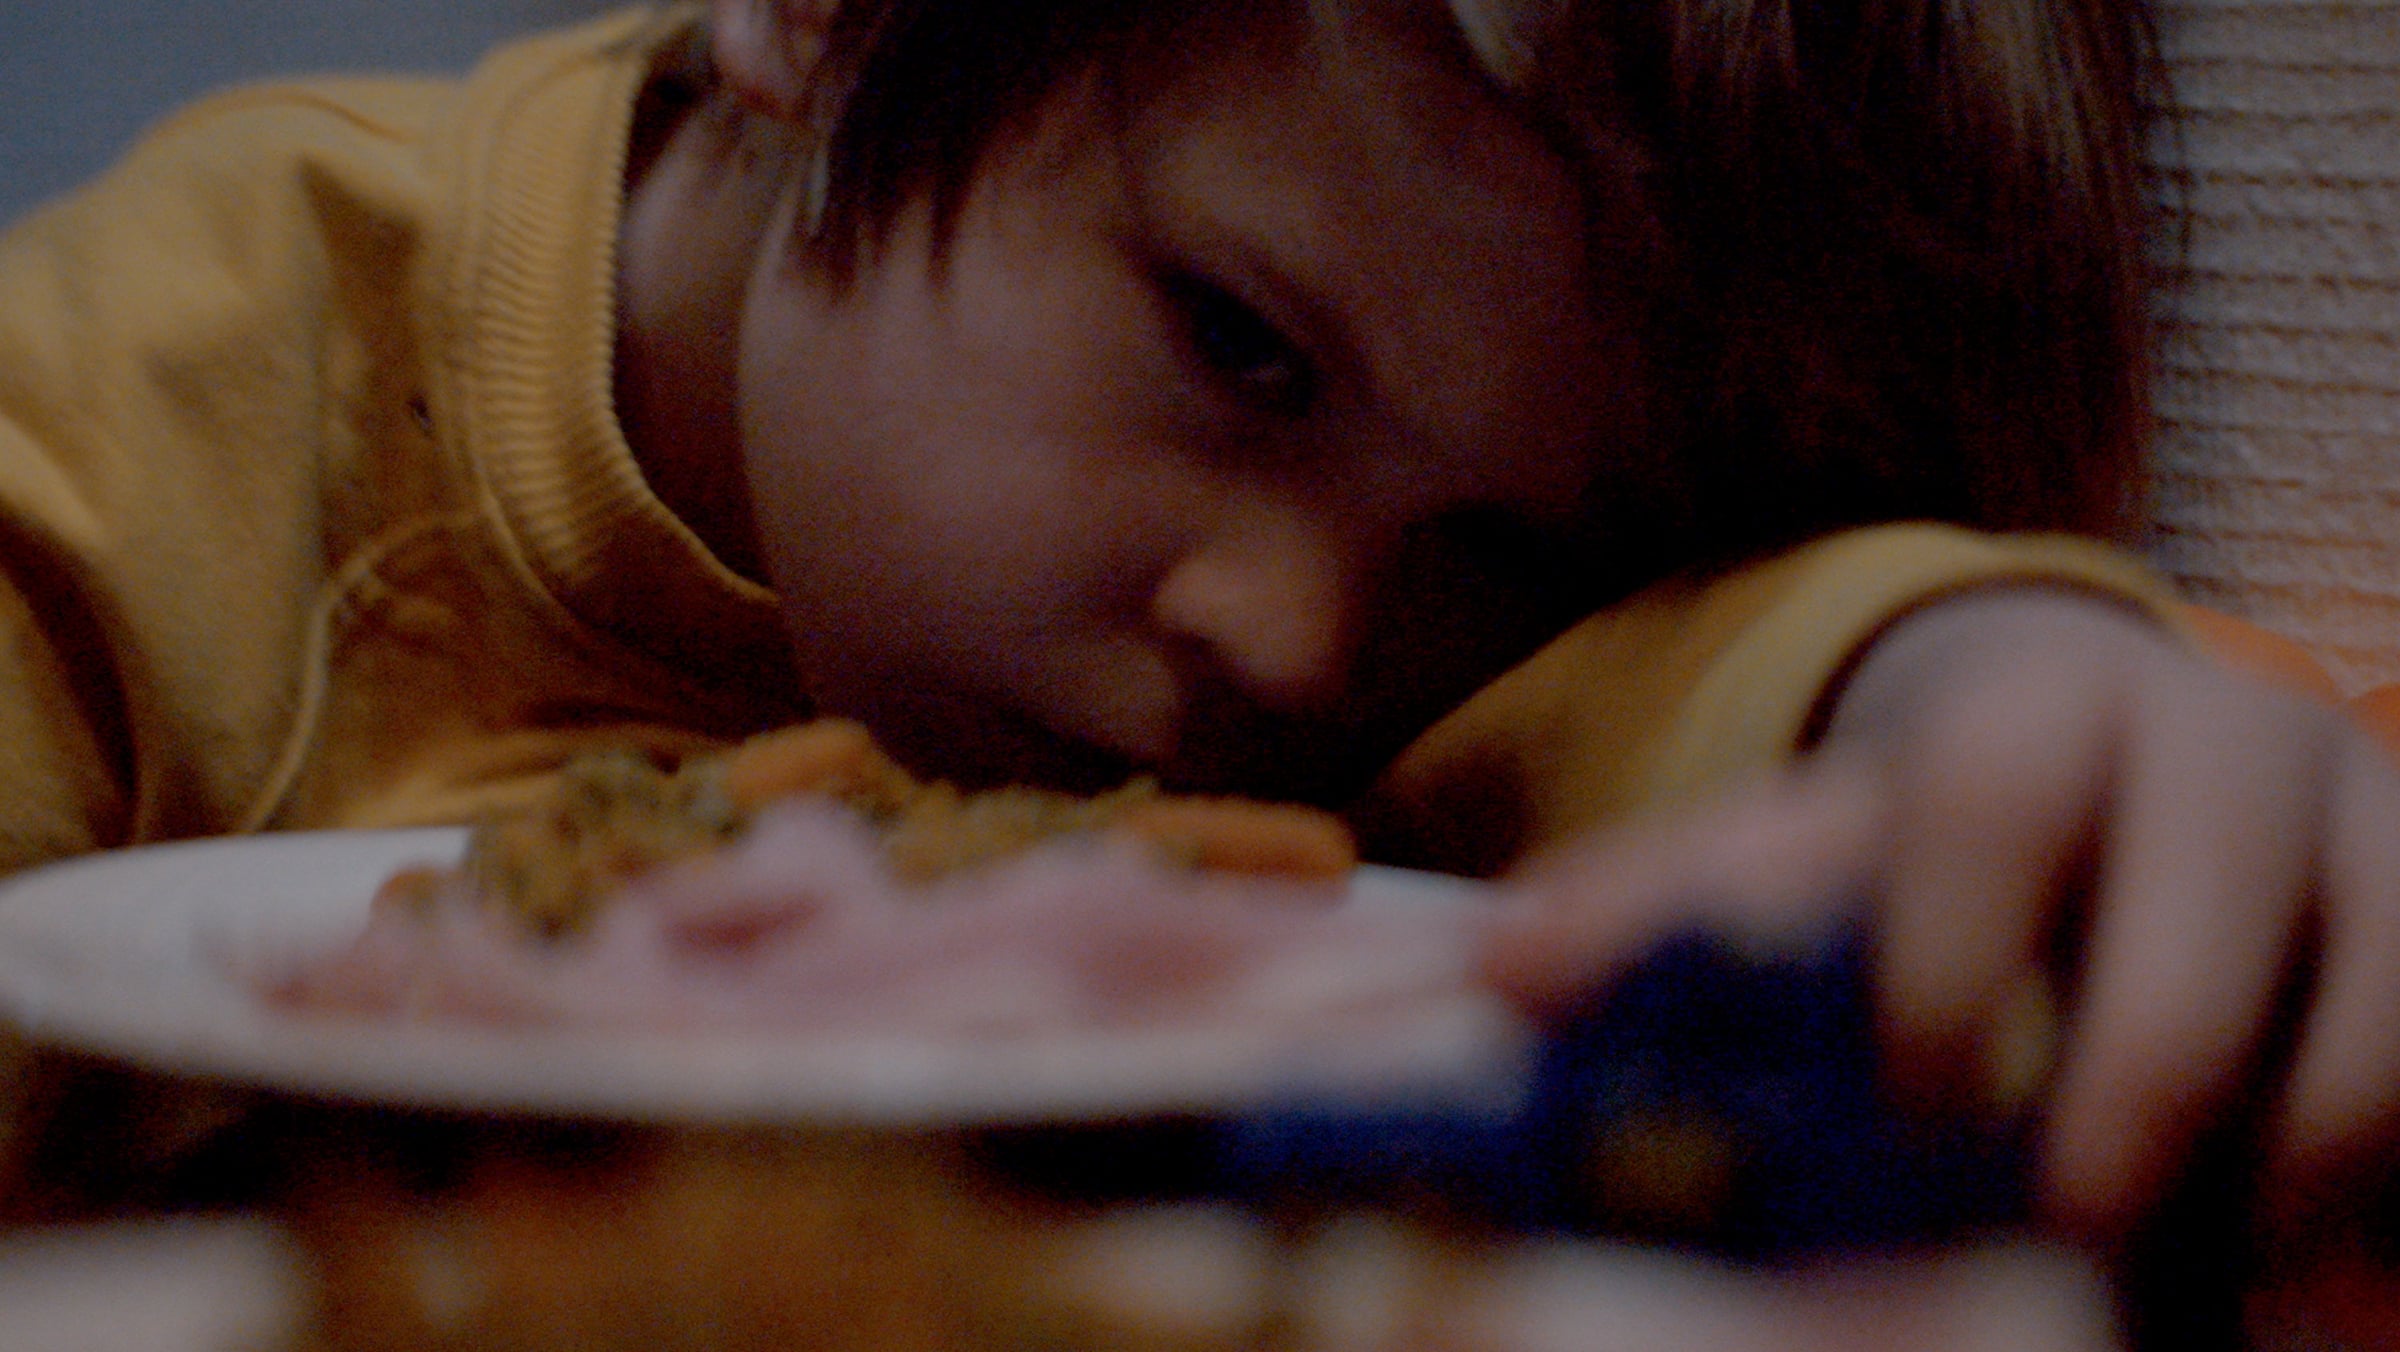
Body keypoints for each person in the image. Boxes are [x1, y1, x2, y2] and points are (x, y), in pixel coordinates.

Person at [0, 0, 2389, 1321]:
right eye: (1242, 350)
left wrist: (1982, 681)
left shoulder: (1407, 682)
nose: (1307, 641)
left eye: (1500, 557)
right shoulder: (172, 398)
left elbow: (1714, 689)